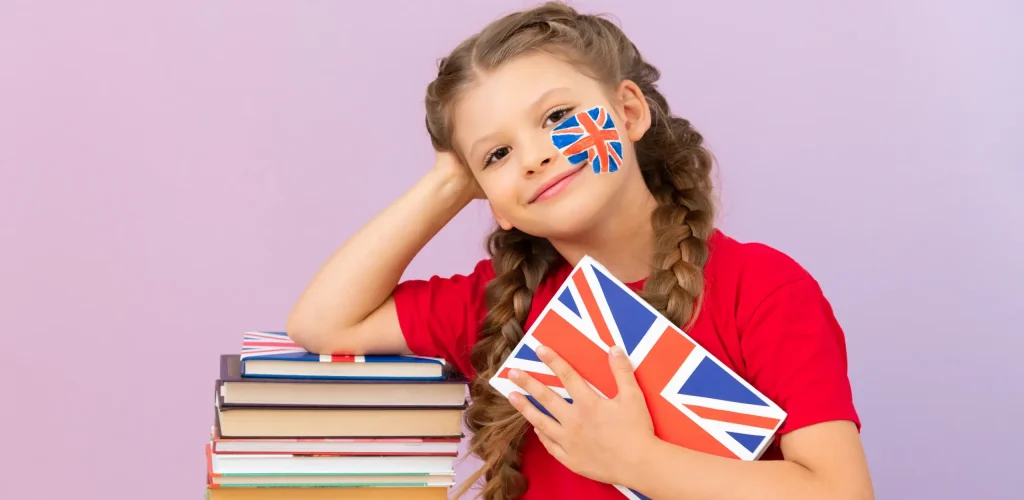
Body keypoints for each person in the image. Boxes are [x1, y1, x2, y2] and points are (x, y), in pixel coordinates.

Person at [286, 2, 874, 499]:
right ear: (490, 199)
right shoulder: (495, 305)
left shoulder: (763, 288)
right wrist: (447, 182)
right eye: (497, 155)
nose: (535, 157)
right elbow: (323, 323)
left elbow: (840, 492)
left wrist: (634, 460)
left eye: (558, 116)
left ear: (629, 111)